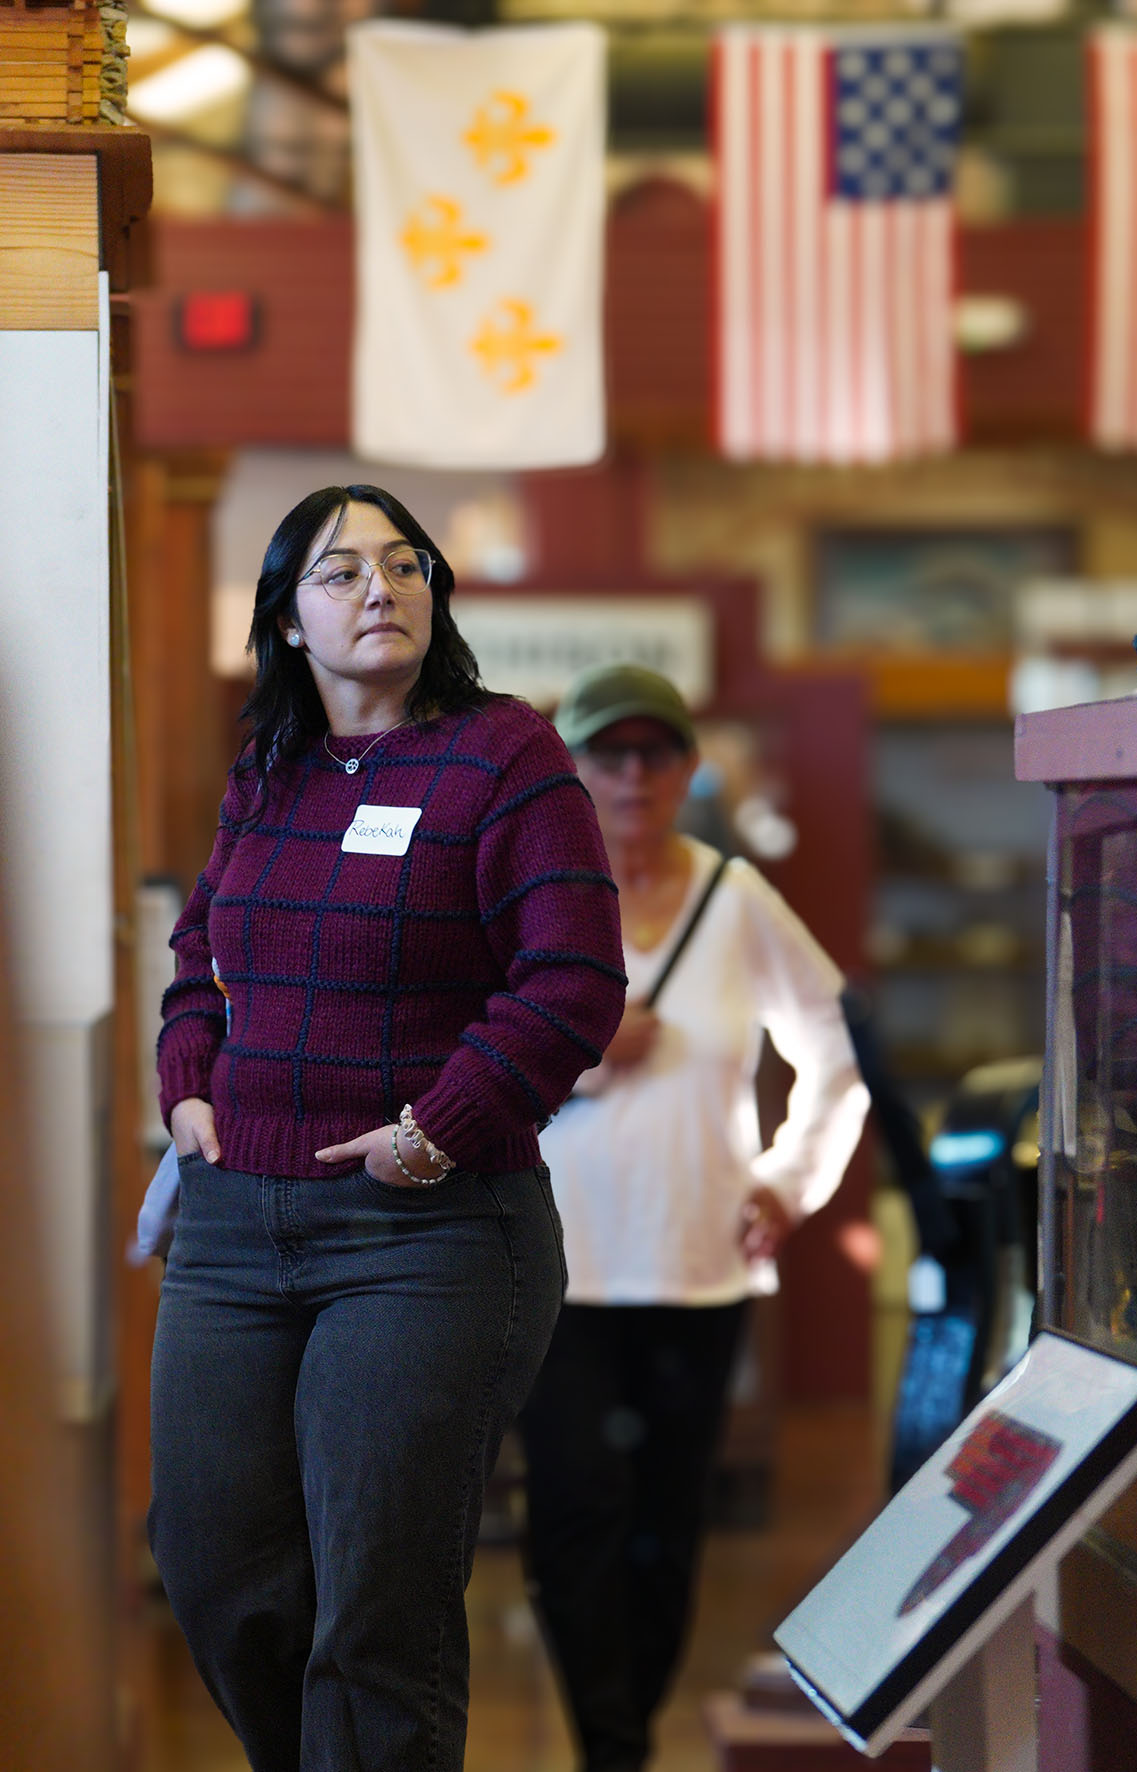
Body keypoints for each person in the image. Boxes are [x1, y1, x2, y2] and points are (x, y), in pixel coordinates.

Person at [148, 486, 625, 1772]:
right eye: (342, 570)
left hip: (428, 1232)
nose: (380, 588)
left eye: (404, 565)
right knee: (214, 1569)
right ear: (289, 618)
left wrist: (439, 1128)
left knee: (376, 1606)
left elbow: (573, 979)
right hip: (235, 1224)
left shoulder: (505, 754)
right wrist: (186, 1073)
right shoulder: (270, 768)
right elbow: (202, 948)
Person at [518, 664, 869, 1772]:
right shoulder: (523, 893)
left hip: (697, 1261)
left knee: (668, 1523)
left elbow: (836, 1054)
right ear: (567, 770)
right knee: (575, 1511)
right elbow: (439, 1059)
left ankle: (621, 1733)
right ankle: (610, 1745)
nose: (630, 775)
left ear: (684, 768)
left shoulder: (736, 899)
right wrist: (572, 1054)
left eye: (652, 753)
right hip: (550, 1268)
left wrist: (787, 1181)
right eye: (605, 755)